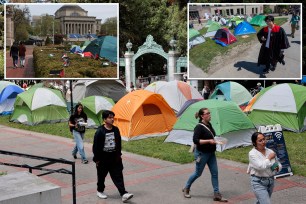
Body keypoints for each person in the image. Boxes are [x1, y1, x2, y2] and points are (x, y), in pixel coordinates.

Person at [183, 108, 227, 202]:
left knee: (215, 173)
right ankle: (186, 188)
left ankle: (216, 194)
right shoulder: (199, 127)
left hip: (211, 153)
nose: (209, 115)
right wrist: (209, 141)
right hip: (202, 154)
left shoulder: (209, 124)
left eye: (209, 113)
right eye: (207, 113)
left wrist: (215, 141)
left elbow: (211, 136)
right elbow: (195, 140)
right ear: (202, 116)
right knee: (198, 173)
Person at [92, 110, 133, 202]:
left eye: (112, 117)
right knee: (102, 176)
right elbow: (96, 146)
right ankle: (100, 190)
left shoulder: (116, 129)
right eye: (110, 117)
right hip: (103, 159)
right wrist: (97, 159)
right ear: (105, 119)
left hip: (114, 158)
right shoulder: (100, 131)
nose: (112, 119)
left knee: (118, 175)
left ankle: (123, 193)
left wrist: (119, 155)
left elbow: (118, 143)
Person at [247, 132, 282, 204]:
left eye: (264, 139)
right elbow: (261, 166)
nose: (263, 142)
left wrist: (278, 167)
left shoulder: (270, 151)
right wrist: (269, 158)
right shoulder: (252, 153)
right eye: (260, 141)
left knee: (261, 201)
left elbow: (277, 164)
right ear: (254, 143)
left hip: (270, 181)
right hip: (258, 182)